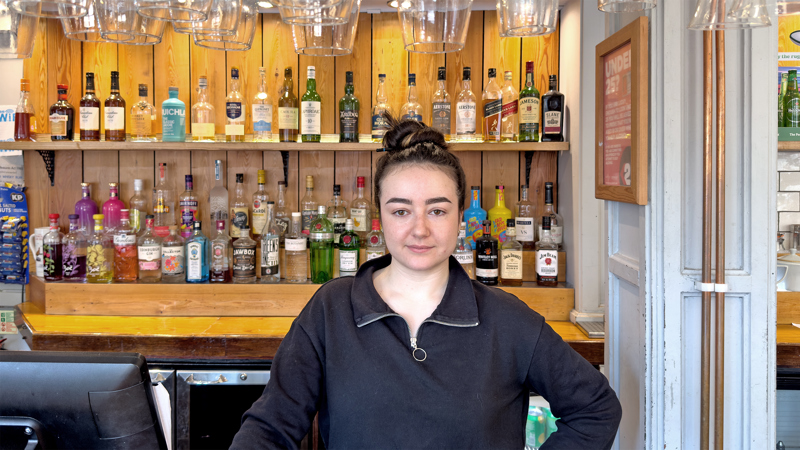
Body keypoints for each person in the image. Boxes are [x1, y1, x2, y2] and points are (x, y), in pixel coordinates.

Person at [230, 114, 622, 449]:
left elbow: (597, 408)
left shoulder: (508, 320)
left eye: (436, 210)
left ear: (461, 218)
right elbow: (270, 428)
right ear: (380, 217)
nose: (419, 229)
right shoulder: (332, 309)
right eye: (401, 211)